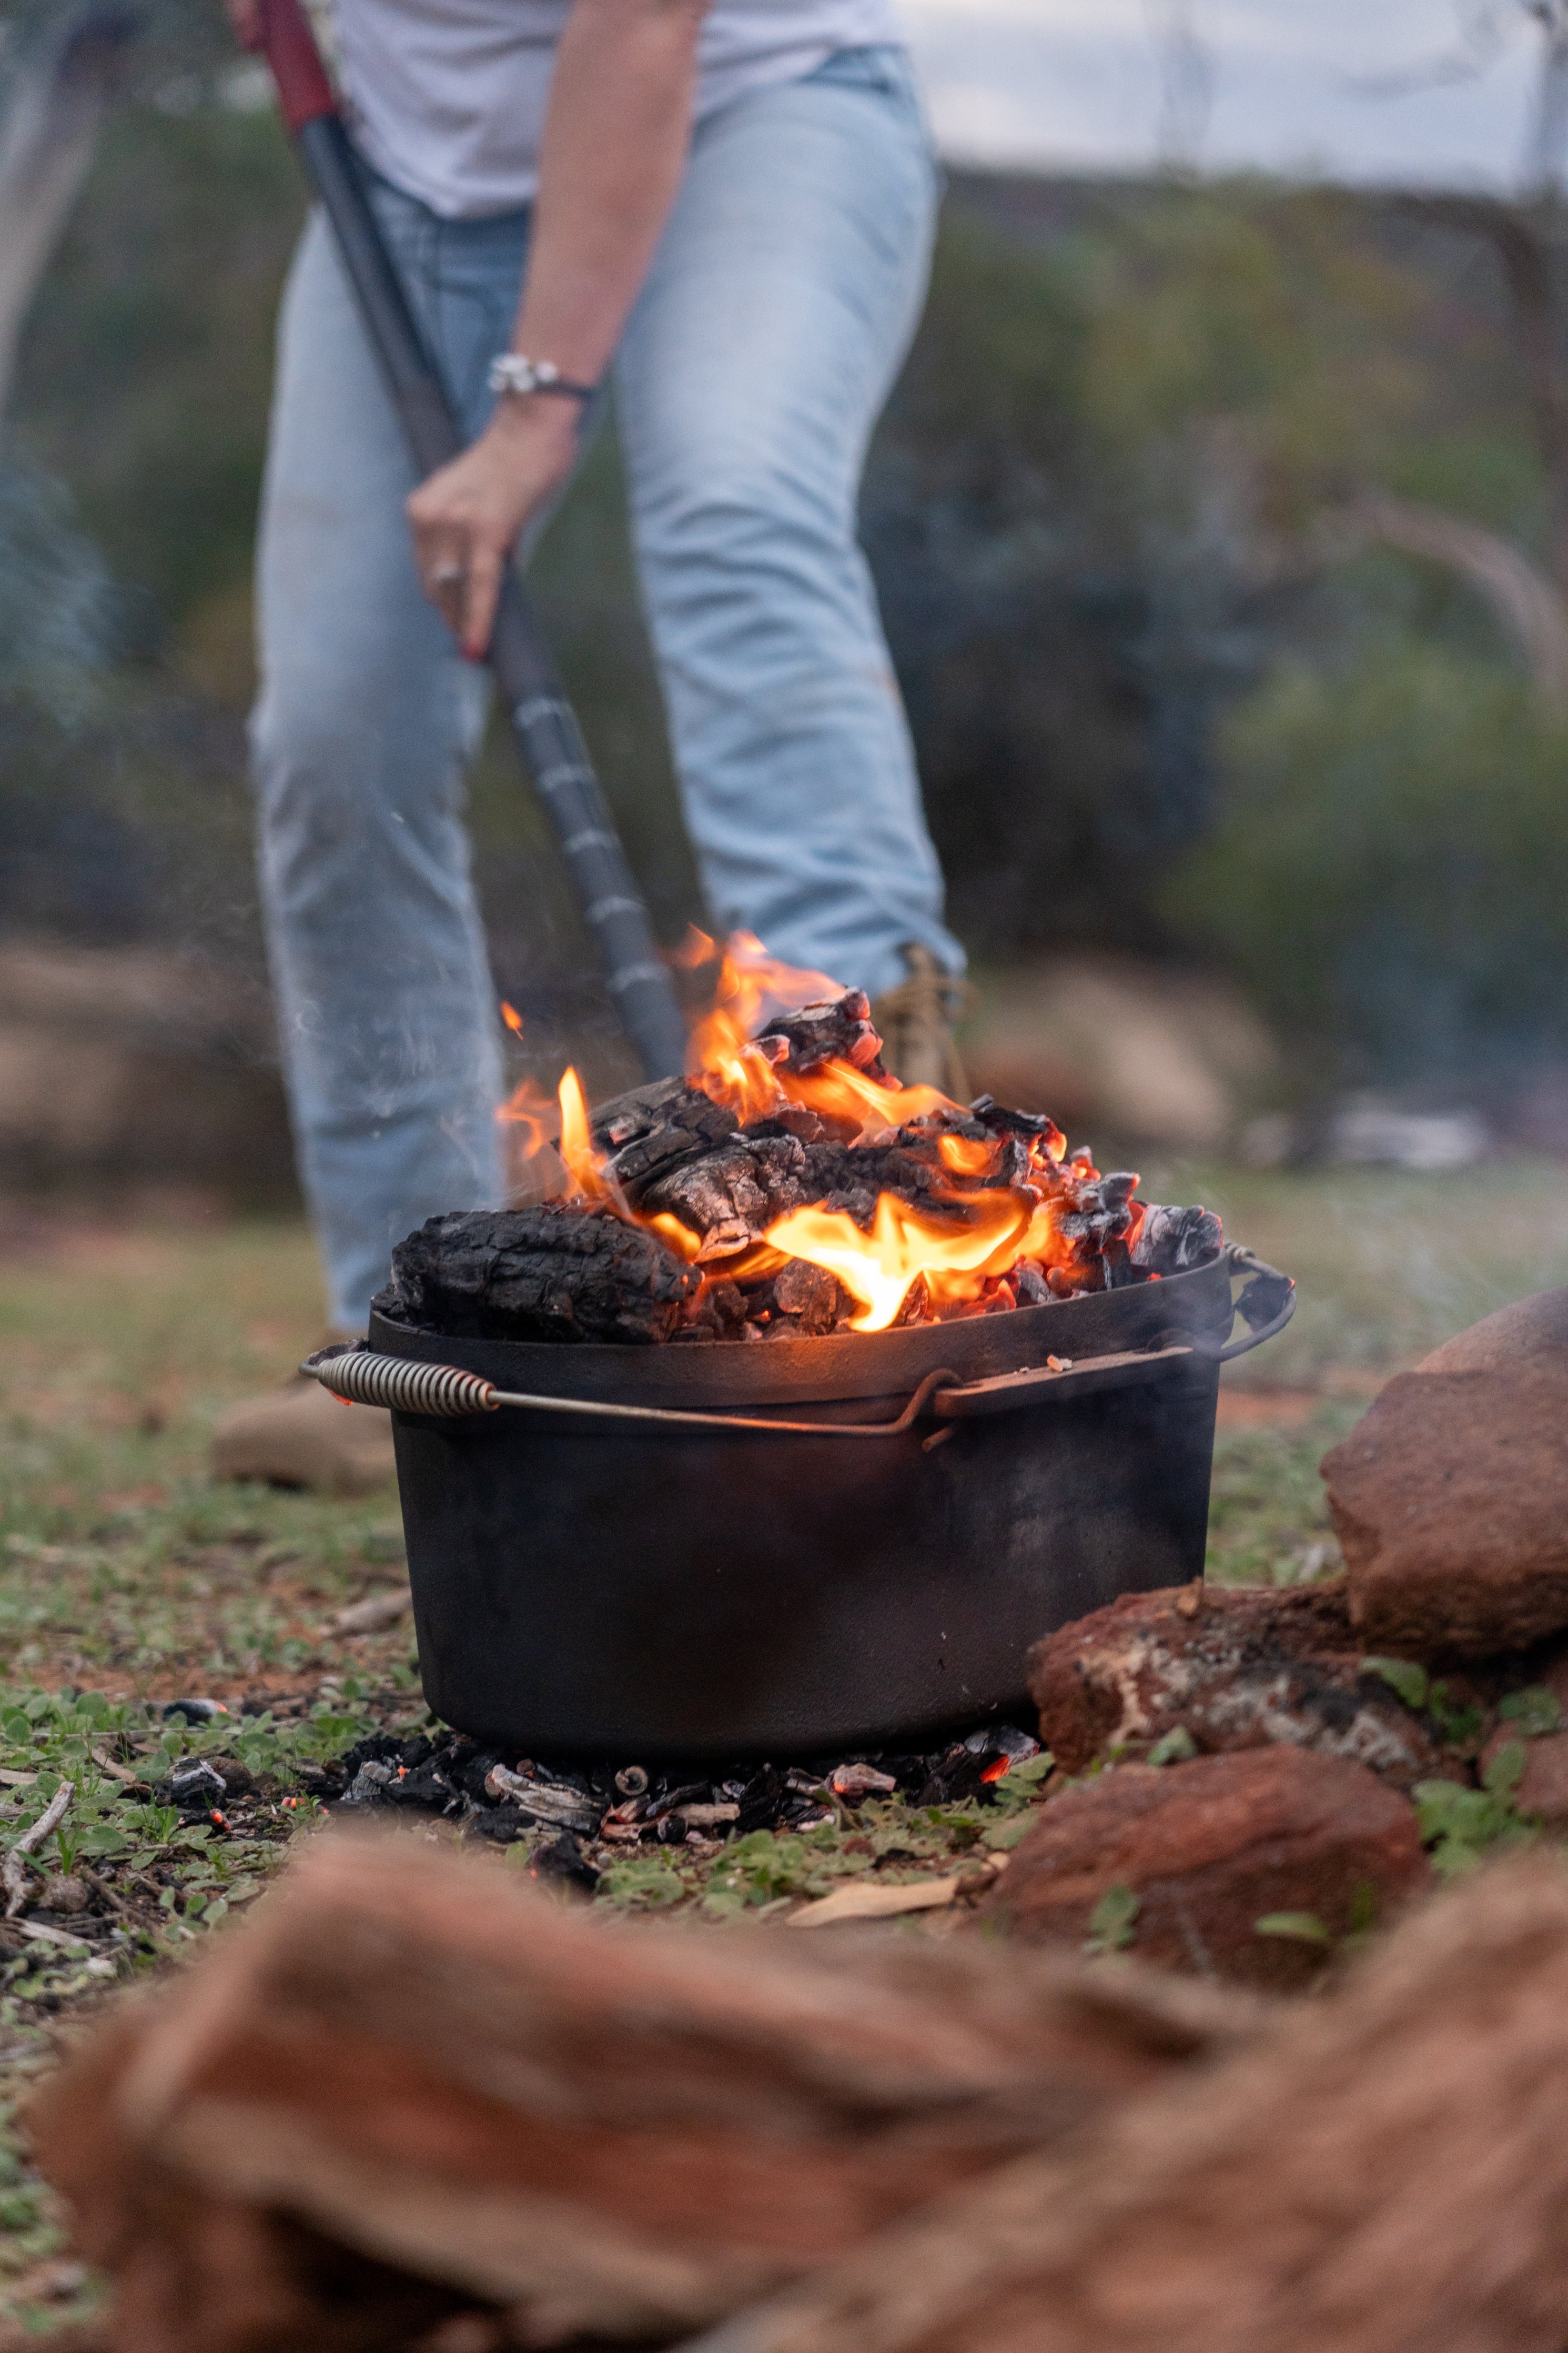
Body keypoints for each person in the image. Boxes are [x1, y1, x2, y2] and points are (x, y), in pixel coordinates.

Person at [214, 0, 967, 1493]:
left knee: (737, 522)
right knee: (337, 733)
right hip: (416, 173)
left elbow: (640, 20)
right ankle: (417, 1345)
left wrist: (536, 407)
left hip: (758, 110)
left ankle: (884, 1208)